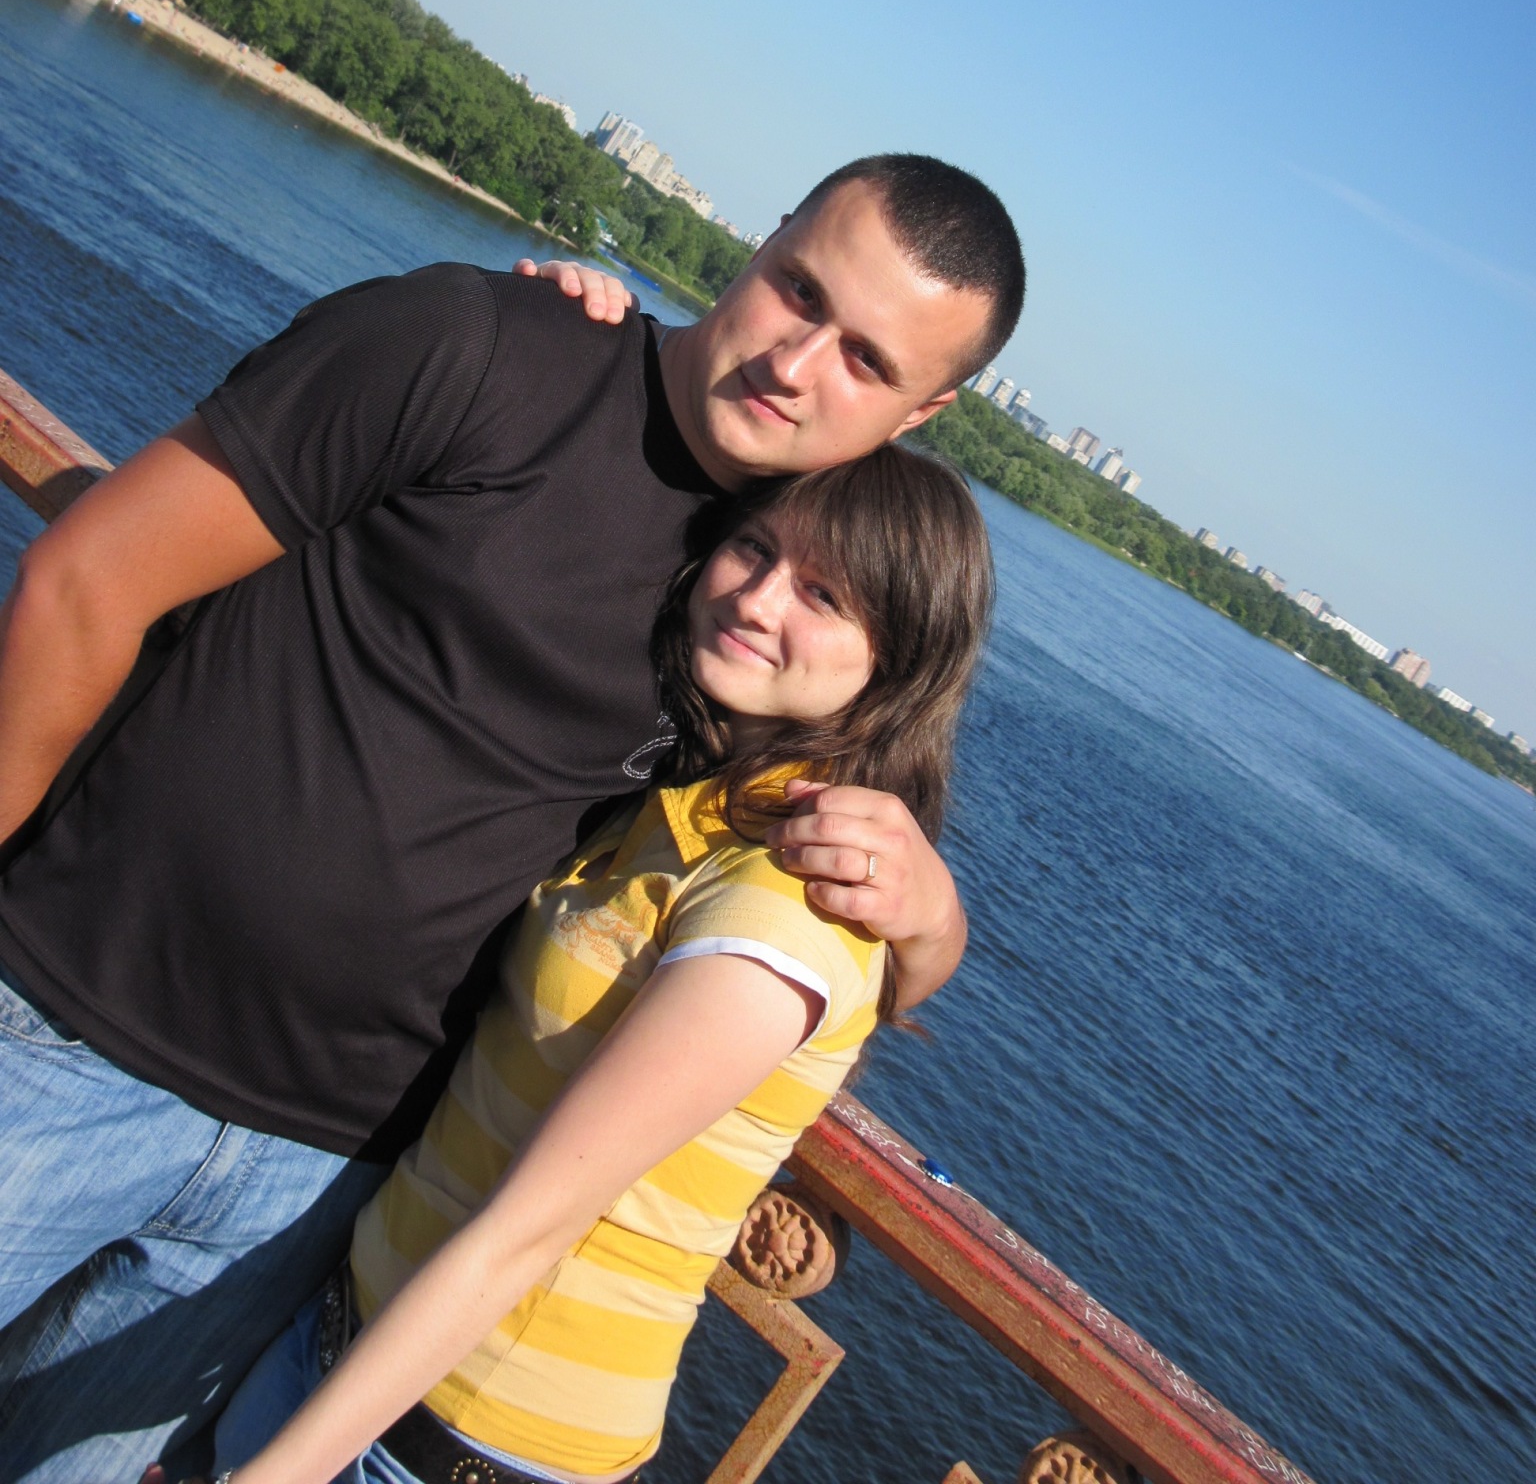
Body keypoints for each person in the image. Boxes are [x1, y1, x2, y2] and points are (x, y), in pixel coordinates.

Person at [0, 153, 1024, 1479]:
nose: (796, 362)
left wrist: (934, 921)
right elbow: (85, 587)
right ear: (761, 238)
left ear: (919, 412)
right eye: (799, 289)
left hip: (315, 1180)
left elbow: (794, 952)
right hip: (58, 1032)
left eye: (866, 362)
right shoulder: (481, 349)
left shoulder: (772, 620)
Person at [214, 441, 994, 1483]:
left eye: (823, 595)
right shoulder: (696, 797)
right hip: (349, 1344)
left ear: (898, 662)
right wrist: (939, 927)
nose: (758, 600)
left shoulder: (786, 900)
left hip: (449, 1436)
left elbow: (529, 1229)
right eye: (755, 548)